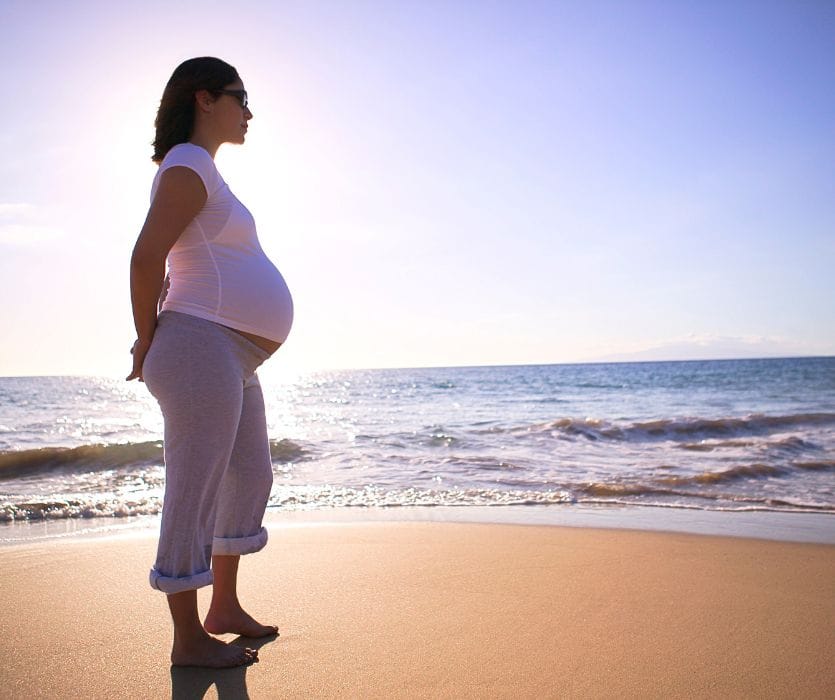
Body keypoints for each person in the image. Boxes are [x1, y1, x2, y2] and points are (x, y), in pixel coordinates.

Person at [127, 57, 293, 668]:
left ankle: (222, 607)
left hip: (233, 351)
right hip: (203, 344)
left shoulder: (201, 171)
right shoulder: (189, 163)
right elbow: (147, 257)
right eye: (239, 96)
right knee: (193, 490)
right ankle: (187, 638)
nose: (249, 111)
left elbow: (178, 262)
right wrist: (147, 340)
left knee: (249, 476)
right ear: (204, 99)